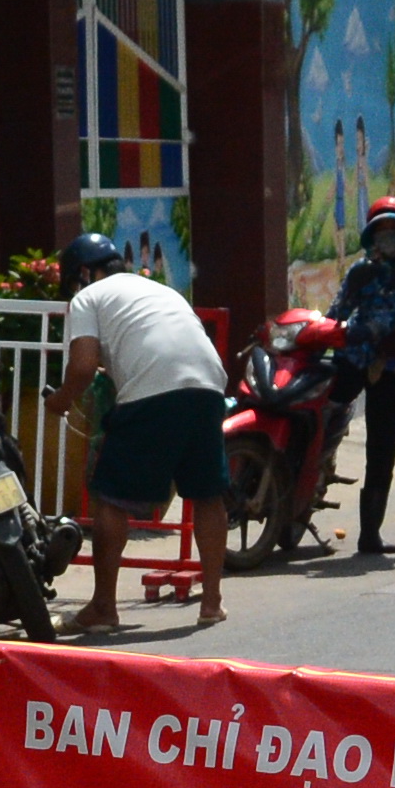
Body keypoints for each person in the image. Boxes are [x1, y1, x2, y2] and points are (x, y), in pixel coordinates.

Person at [52, 228, 230, 634]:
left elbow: (82, 367)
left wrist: (60, 400)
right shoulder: (160, 290)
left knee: (110, 498)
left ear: (84, 273)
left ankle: (103, 607)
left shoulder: (88, 297)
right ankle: (212, 602)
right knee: (207, 493)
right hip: (208, 385)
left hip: (154, 391)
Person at [331, 194, 395, 560]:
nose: (388, 236)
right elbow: (337, 310)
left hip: (393, 365)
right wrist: (318, 331)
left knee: (382, 446)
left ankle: (370, 532)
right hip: (357, 357)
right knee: (320, 414)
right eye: (382, 230)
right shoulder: (361, 269)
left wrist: (364, 328)